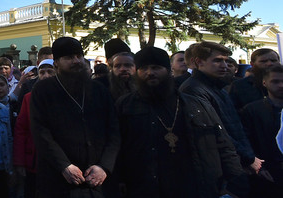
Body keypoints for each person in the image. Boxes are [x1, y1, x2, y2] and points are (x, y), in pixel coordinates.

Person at [116, 46, 241, 197]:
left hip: (192, 185)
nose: (150, 73)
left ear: (168, 70)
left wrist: (235, 182)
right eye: (144, 68)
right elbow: (116, 145)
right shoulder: (125, 105)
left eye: (156, 67)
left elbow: (222, 143)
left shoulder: (195, 104)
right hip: (146, 186)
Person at [29, 36, 120, 197]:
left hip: (98, 181)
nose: (76, 61)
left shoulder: (99, 90)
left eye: (79, 56)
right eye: (69, 57)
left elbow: (114, 131)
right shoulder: (43, 90)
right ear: (56, 62)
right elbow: (41, 132)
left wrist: (104, 166)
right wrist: (64, 165)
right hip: (59, 180)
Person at [180, 41, 262, 197]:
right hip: (219, 170)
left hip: (236, 164)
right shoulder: (193, 89)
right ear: (199, 62)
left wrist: (247, 157)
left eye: (226, 60)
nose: (224, 65)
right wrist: (247, 158)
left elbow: (234, 127)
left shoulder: (219, 88)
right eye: (217, 60)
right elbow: (216, 131)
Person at [13, 59, 56, 198]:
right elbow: (21, 130)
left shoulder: (65, 96)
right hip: (34, 160)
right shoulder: (28, 98)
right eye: (42, 72)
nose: (46, 75)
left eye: (50, 72)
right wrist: (20, 161)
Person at [240, 63, 283, 197]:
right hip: (267, 173)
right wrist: (256, 165)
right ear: (264, 82)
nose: (281, 85)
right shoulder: (252, 110)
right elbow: (246, 140)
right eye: (275, 81)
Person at [229, 48, 280, 112]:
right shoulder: (240, 86)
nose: (269, 64)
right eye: (264, 61)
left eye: (273, 60)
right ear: (252, 64)